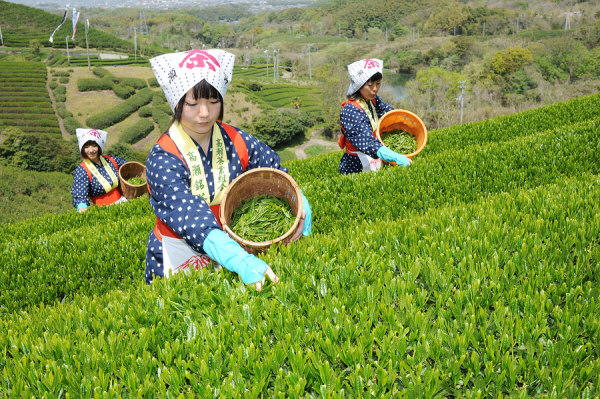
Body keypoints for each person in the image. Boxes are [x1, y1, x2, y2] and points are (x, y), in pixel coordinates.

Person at [145, 49, 312, 290]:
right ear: (177, 103)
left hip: (231, 245)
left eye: (213, 102)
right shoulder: (163, 157)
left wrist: (301, 203)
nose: (205, 113)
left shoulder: (236, 138)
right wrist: (239, 259)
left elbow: (275, 171)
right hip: (178, 254)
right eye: (193, 103)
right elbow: (189, 215)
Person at [338, 58, 412, 174]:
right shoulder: (350, 110)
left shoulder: (372, 99)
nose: (375, 89)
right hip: (356, 164)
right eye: (370, 85)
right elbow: (366, 141)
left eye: (378, 84)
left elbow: (387, 112)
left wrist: (404, 120)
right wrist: (392, 156)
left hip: (375, 156)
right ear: (359, 86)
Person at [71, 128, 128, 213]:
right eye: (86, 147)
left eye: (94, 146)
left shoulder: (110, 160)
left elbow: (128, 166)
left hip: (123, 203)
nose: (91, 150)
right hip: (103, 210)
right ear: (82, 149)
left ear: (99, 146)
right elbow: (80, 193)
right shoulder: (82, 170)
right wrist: (82, 206)